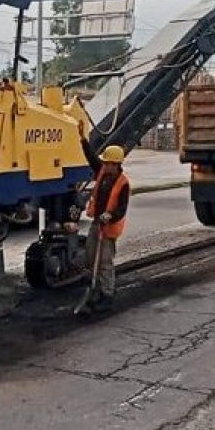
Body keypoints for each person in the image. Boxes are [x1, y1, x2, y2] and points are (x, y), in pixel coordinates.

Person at [79, 129, 131, 313]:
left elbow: (122, 209)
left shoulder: (123, 183)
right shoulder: (102, 172)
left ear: (115, 164)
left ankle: (107, 294)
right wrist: (83, 140)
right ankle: (96, 288)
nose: (104, 165)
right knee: (90, 256)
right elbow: (92, 158)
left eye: (107, 163)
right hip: (97, 223)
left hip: (109, 227)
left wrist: (110, 215)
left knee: (105, 262)